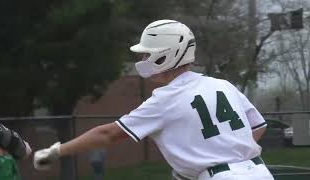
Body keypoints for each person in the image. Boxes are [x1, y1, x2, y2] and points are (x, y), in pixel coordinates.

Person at [33, 20, 274, 180]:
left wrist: (57, 151)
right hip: (260, 172)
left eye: (148, 53)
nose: (145, 58)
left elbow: (107, 135)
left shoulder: (166, 98)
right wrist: (225, 155)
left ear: (165, 55)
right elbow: (259, 126)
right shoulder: (222, 85)